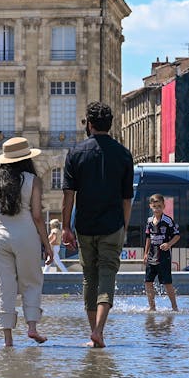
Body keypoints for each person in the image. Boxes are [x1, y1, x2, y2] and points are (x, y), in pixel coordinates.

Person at [61, 102, 134, 348]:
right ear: (110, 124)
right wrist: (124, 226)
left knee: (88, 278)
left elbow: (68, 196)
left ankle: (93, 331)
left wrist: (65, 227)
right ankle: (100, 332)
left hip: (84, 225)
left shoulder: (75, 153)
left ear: (89, 125)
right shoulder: (123, 155)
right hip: (112, 225)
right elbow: (127, 199)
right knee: (107, 276)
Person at [0, 136, 51, 346]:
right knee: (31, 281)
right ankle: (32, 328)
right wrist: (47, 245)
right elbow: (38, 216)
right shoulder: (32, 180)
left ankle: (8, 338)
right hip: (26, 235)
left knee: (4, 285)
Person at [142, 194, 180, 312]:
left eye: (159, 206)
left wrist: (168, 244)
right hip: (151, 255)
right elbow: (148, 237)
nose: (157, 209)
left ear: (163, 206)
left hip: (163, 256)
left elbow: (177, 236)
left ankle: (174, 307)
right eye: (154, 206)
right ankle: (152, 307)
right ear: (150, 207)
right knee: (148, 282)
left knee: (167, 282)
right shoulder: (149, 221)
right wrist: (145, 253)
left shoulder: (168, 221)